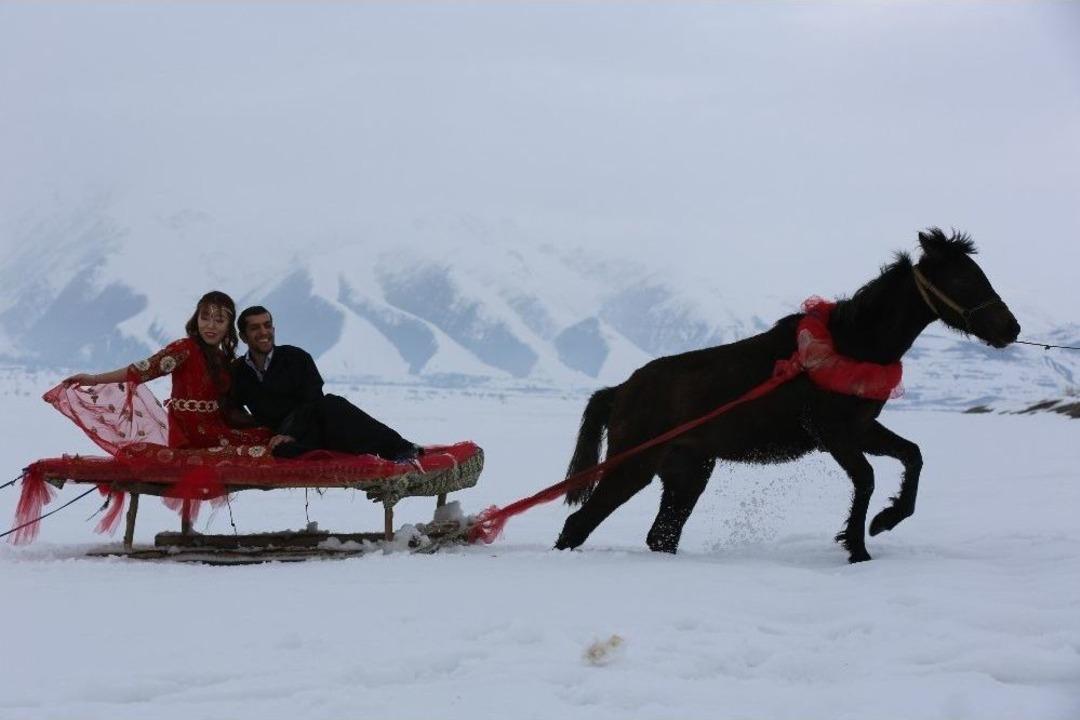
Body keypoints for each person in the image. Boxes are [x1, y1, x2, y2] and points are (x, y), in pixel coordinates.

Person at [63, 291, 274, 451]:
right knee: (259, 445)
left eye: (219, 320)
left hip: (214, 426)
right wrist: (93, 379)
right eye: (205, 318)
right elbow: (141, 370)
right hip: (189, 432)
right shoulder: (184, 349)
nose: (210, 326)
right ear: (196, 319)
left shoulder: (222, 358)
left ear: (228, 327)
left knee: (268, 435)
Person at [231, 305, 421, 461]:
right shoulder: (238, 371)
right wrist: (262, 432)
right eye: (255, 328)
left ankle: (401, 449)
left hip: (310, 426)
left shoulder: (296, 357)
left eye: (267, 325)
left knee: (331, 404)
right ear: (243, 336)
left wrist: (292, 433)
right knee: (283, 451)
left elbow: (312, 399)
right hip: (283, 439)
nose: (264, 332)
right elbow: (234, 409)